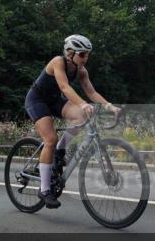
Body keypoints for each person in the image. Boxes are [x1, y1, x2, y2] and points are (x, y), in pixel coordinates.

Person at [24, 34, 119, 209]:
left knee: (80, 116)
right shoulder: (57, 62)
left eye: (88, 54)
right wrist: (82, 103)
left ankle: (61, 149)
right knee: (50, 139)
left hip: (54, 100)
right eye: (82, 54)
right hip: (37, 100)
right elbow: (64, 87)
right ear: (70, 53)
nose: (86, 58)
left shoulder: (81, 70)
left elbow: (91, 92)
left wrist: (108, 106)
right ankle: (44, 190)